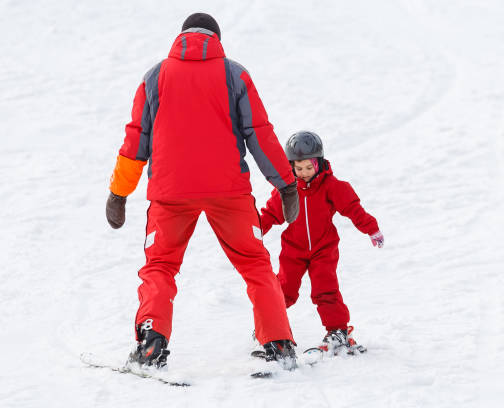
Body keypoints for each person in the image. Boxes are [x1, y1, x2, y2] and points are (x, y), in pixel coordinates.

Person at [105, 13, 300, 370]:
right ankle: (280, 344)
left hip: (170, 192)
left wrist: (119, 193)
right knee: (255, 263)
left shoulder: (155, 76)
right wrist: (286, 184)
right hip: (228, 190)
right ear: (217, 39)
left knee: (160, 266)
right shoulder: (234, 74)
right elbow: (260, 132)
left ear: (181, 37)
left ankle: (151, 343)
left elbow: (136, 139)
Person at [259, 131, 384, 355]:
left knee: (325, 289)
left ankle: (338, 332)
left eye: (309, 167)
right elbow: (270, 215)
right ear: (291, 166)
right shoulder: (287, 191)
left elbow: (353, 208)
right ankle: (269, 328)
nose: (304, 173)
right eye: (299, 168)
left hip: (323, 249)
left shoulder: (332, 186)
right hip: (293, 250)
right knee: (283, 290)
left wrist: (371, 228)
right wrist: (253, 232)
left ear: (319, 163)